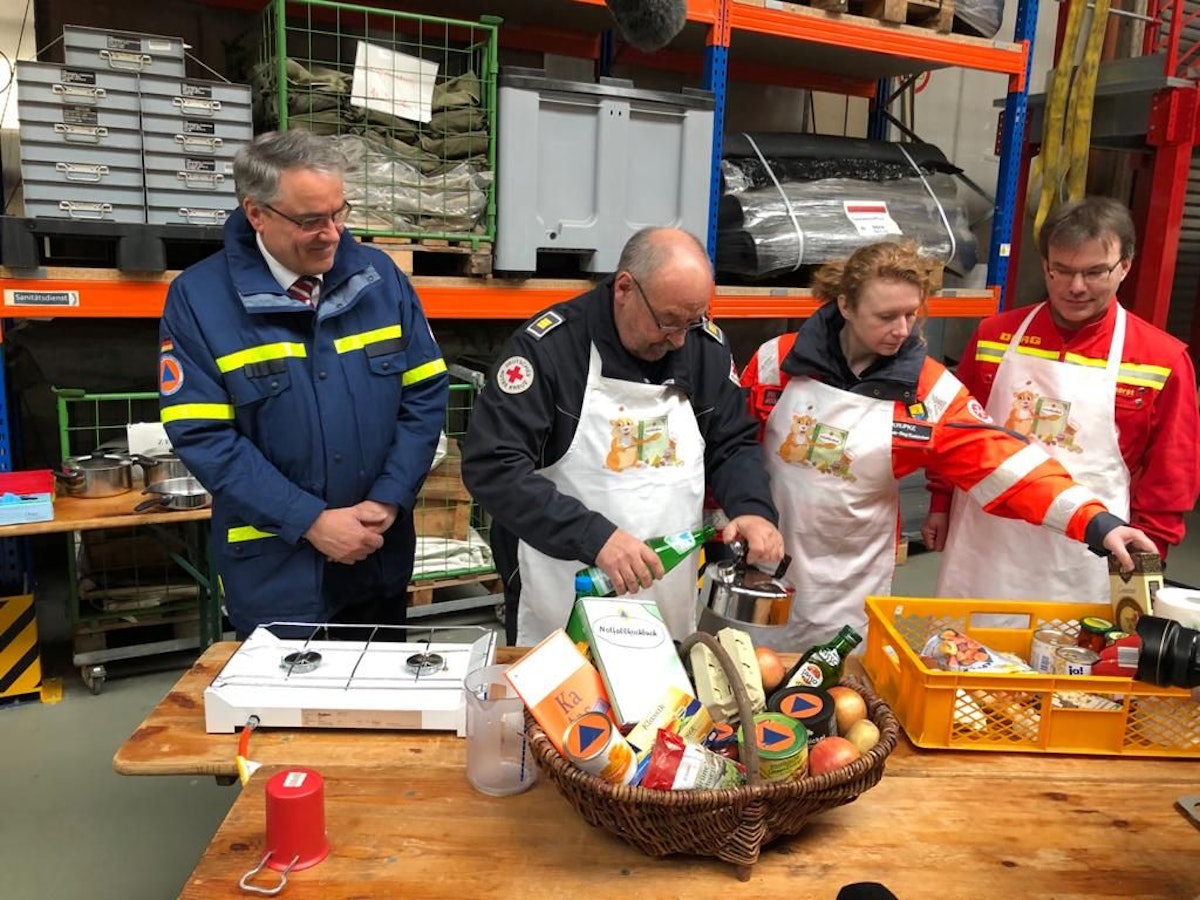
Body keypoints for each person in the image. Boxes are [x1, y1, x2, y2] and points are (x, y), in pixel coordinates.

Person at [741, 241, 1155, 650]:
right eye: (886, 316)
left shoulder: (929, 393)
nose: (902, 331)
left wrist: (1096, 522)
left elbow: (1006, 464)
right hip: (762, 561)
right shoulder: (776, 363)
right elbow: (732, 450)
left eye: (911, 314)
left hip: (848, 580)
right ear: (845, 305)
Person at [157, 130, 449, 636]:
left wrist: (388, 497)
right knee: (288, 713)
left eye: (339, 213)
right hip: (278, 570)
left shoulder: (380, 278)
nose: (333, 233)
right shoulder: (199, 301)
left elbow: (424, 393)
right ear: (256, 214)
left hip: (377, 555)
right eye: (312, 220)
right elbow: (204, 436)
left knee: (383, 704)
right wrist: (311, 521)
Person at [462, 226, 784, 646]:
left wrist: (753, 508)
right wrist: (594, 537)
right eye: (668, 321)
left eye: (694, 320)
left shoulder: (702, 349)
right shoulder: (549, 351)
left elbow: (732, 443)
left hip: (667, 594)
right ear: (625, 288)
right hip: (566, 588)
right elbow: (492, 466)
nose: (679, 339)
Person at [927, 197, 1200, 603]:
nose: (1075, 287)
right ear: (1046, 265)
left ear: (1125, 265)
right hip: (986, 541)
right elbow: (958, 431)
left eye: (1094, 272)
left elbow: (1171, 474)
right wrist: (940, 500)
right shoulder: (994, 336)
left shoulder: (1161, 359)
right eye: (1063, 271)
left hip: (1089, 551)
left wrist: (1151, 549)